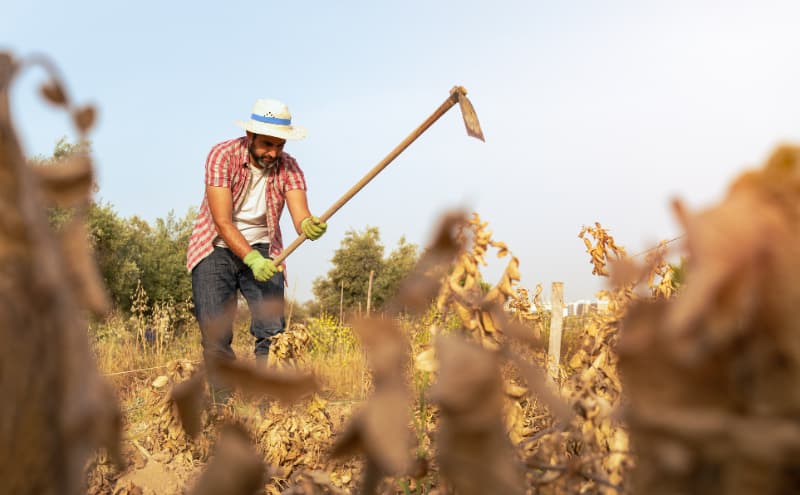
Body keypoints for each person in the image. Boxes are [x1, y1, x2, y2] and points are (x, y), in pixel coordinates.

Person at [186, 98, 327, 396]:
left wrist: (308, 225)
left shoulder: (289, 167)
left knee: (272, 332)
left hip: (265, 249)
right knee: (215, 336)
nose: (273, 153)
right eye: (266, 144)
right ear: (249, 137)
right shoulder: (221, 155)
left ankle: (267, 409)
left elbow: (300, 213)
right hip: (215, 248)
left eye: (280, 145)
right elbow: (222, 221)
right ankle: (222, 407)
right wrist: (249, 257)